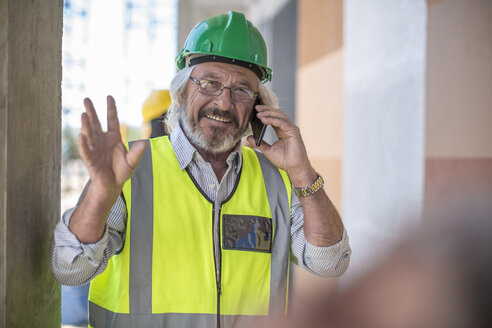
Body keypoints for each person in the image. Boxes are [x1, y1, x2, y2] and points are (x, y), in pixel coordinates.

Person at [50, 11, 351, 328]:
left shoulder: (277, 179)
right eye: (210, 83)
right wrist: (100, 194)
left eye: (241, 91)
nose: (223, 103)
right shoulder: (130, 173)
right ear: (182, 91)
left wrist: (303, 174)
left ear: (258, 108)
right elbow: (70, 269)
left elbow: (330, 263)